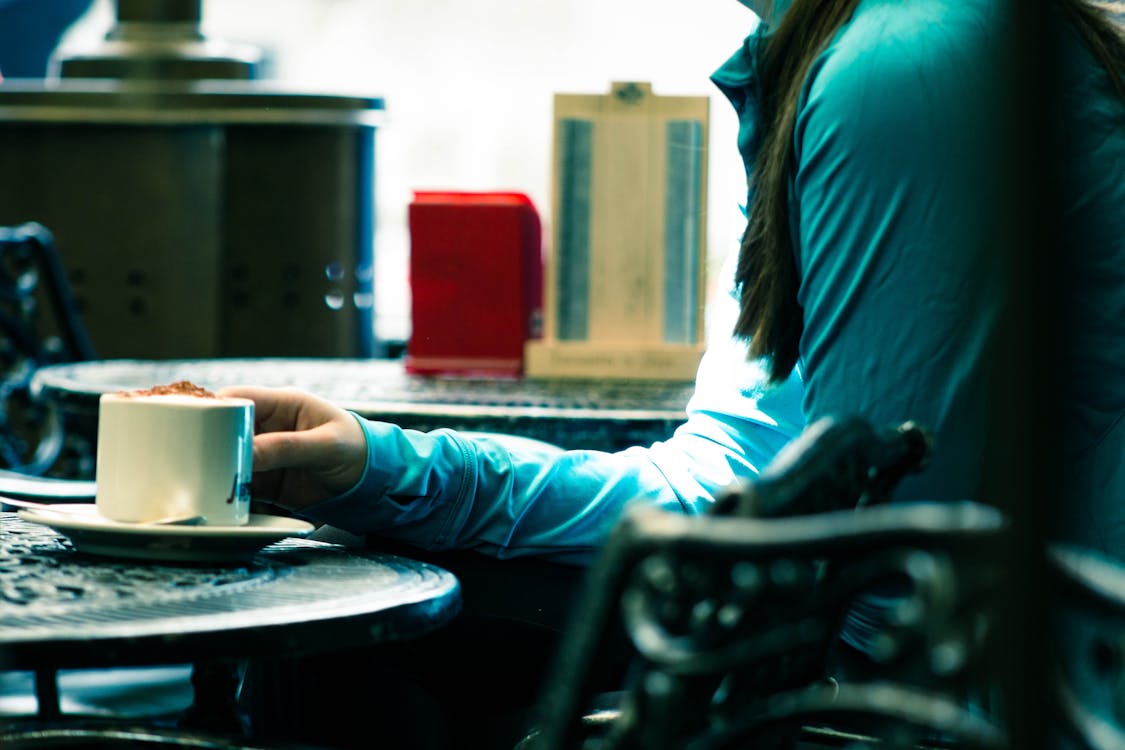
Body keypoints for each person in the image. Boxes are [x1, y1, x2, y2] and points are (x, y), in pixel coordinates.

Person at [222, 0, 1124, 745]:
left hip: (1010, 713)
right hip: (914, 670)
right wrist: (383, 467)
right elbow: (717, 479)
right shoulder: (834, 61)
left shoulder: (905, 67)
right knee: (356, 599)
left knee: (352, 645)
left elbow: (890, 581)